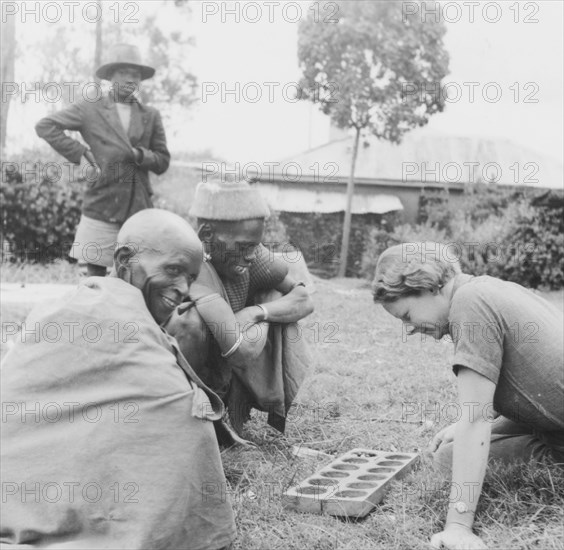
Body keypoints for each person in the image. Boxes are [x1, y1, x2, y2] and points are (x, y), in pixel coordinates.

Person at [0, 209, 236, 550]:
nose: (184, 288)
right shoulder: (116, 322)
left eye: (191, 277)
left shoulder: (60, 306)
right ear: (125, 259)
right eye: (173, 270)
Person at [372, 241, 564, 550]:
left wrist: (458, 527)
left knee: (448, 460)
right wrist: (461, 428)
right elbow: (531, 389)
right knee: (453, 448)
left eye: (406, 315)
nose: (408, 329)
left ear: (429, 285)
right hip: (554, 419)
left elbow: (476, 418)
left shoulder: (469, 307)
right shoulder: (484, 288)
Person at [166, 178, 314, 439]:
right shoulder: (192, 264)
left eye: (255, 246)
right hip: (169, 376)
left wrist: (257, 311)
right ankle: (186, 425)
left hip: (223, 359)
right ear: (207, 236)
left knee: (275, 293)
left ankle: (229, 412)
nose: (250, 255)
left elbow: (303, 298)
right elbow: (240, 352)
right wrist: (264, 314)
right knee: (190, 323)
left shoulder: (249, 254)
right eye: (244, 247)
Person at [35, 43, 170, 277]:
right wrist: (80, 154)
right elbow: (46, 126)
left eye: (135, 75)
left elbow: (163, 160)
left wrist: (140, 155)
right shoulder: (90, 108)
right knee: (94, 278)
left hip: (138, 206)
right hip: (102, 201)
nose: (130, 79)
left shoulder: (150, 115)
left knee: (137, 274)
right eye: (123, 73)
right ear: (110, 77)